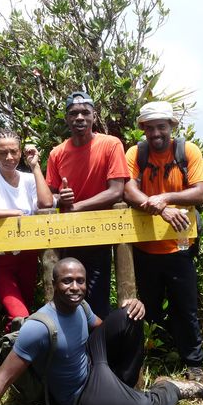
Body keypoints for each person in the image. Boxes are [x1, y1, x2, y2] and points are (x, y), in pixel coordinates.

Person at [0, 258, 203, 405]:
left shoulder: (81, 306)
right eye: (67, 281)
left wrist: (135, 306)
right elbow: (1, 380)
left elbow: (106, 328)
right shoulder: (39, 327)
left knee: (129, 315)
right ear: (54, 283)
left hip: (94, 361)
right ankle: (169, 388)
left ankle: (123, 385)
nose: (75, 287)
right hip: (80, 393)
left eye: (80, 281)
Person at [124, 101, 203, 382]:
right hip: (144, 247)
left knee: (184, 307)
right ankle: (142, 360)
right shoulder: (136, 153)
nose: (156, 132)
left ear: (172, 127)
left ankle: (194, 365)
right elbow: (128, 189)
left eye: (161, 126)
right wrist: (161, 207)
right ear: (143, 130)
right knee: (144, 307)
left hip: (180, 246)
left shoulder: (187, 152)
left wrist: (166, 198)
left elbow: (199, 193)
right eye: (150, 128)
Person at [46, 91, 130, 319]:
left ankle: (97, 350)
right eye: (74, 113)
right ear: (66, 119)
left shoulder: (111, 145)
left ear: (94, 115)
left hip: (98, 233)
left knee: (97, 296)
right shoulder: (57, 153)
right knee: (66, 298)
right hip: (67, 236)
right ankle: (71, 350)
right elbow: (49, 197)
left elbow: (116, 191)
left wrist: (77, 207)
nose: (80, 118)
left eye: (85, 112)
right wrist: (60, 199)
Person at [0, 128, 53, 331]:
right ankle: (16, 359)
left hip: (28, 256)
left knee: (22, 316)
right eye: (3, 153)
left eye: (14, 152)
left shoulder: (29, 179)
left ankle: (11, 354)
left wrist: (35, 167)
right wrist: (13, 213)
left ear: (20, 152)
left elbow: (46, 203)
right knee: (20, 315)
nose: (9, 157)